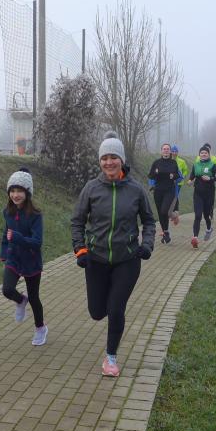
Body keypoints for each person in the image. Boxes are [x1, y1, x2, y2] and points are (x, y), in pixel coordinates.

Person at [71, 132, 155, 377]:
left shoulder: (136, 190)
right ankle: (108, 302)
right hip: (96, 260)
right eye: (104, 158)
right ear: (100, 161)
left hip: (127, 260)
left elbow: (149, 221)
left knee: (116, 309)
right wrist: (80, 249)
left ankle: (110, 358)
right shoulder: (91, 189)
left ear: (122, 160)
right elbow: (77, 221)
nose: (109, 162)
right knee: (97, 312)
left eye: (113, 157)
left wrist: (146, 245)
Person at [1, 169, 47, 345]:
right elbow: (5, 234)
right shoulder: (7, 212)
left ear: (27, 192)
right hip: (13, 258)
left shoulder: (35, 215)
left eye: (19, 191)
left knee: (34, 298)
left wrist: (18, 237)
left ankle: (40, 329)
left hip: (31, 260)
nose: (15, 195)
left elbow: (37, 242)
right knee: (7, 290)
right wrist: (4, 252)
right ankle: (21, 300)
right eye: (12, 191)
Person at [188, 145, 216, 247]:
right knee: (198, 215)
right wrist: (190, 181)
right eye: (202, 153)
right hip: (198, 194)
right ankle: (195, 238)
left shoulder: (213, 165)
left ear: (209, 154)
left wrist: (211, 178)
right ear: (199, 155)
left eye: (205, 153)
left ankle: (209, 229)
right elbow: (192, 176)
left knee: (206, 215)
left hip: (209, 194)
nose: (203, 154)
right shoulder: (196, 165)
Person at [148, 143, 182, 244]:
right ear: (161, 151)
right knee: (160, 213)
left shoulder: (173, 163)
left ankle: (167, 228)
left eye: (167, 149)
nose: (166, 150)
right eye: (164, 149)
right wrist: (155, 173)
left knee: (164, 211)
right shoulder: (156, 163)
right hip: (158, 190)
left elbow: (178, 176)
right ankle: (165, 233)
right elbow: (150, 175)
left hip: (169, 190)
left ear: (170, 151)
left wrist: (173, 176)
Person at [170, 144, 187, 226]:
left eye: (175, 151)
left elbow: (185, 170)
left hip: (178, 183)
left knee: (175, 197)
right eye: (173, 151)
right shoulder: (168, 160)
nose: (174, 153)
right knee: (171, 197)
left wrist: (182, 176)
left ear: (177, 152)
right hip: (169, 183)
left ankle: (175, 213)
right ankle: (173, 213)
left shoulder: (182, 161)